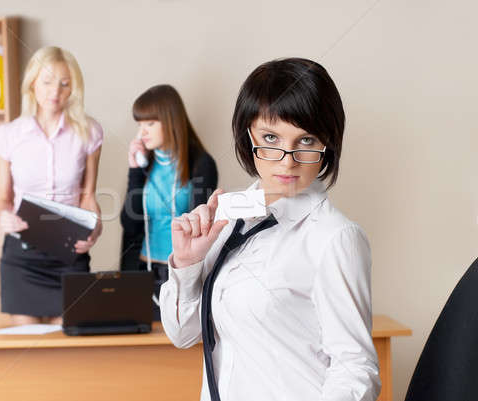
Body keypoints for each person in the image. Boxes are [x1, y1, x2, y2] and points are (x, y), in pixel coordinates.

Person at [161, 58, 381, 401]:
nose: (288, 159)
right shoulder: (228, 220)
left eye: (306, 140)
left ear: (328, 143)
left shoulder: (335, 238)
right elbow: (183, 334)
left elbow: (356, 370)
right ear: (247, 134)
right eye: (271, 137)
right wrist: (188, 265)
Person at [0, 46, 103, 325]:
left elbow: (88, 195)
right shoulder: (7, 136)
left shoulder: (89, 133)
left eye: (65, 84)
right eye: (48, 81)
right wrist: (3, 216)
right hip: (22, 257)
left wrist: (95, 228)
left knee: (67, 353)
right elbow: (3, 199)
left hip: (69, 253)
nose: (56, 91)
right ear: (32, 83)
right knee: (28, 357)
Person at [120, 84, 218, 320]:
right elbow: (130, 224)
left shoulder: (201, 164)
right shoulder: (145, 164)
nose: (142, 132)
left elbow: (200, 226)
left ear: (170, 120)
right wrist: (135, 171)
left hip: (179, 271)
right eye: (140, 125)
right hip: (143, 270)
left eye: (150, 124)